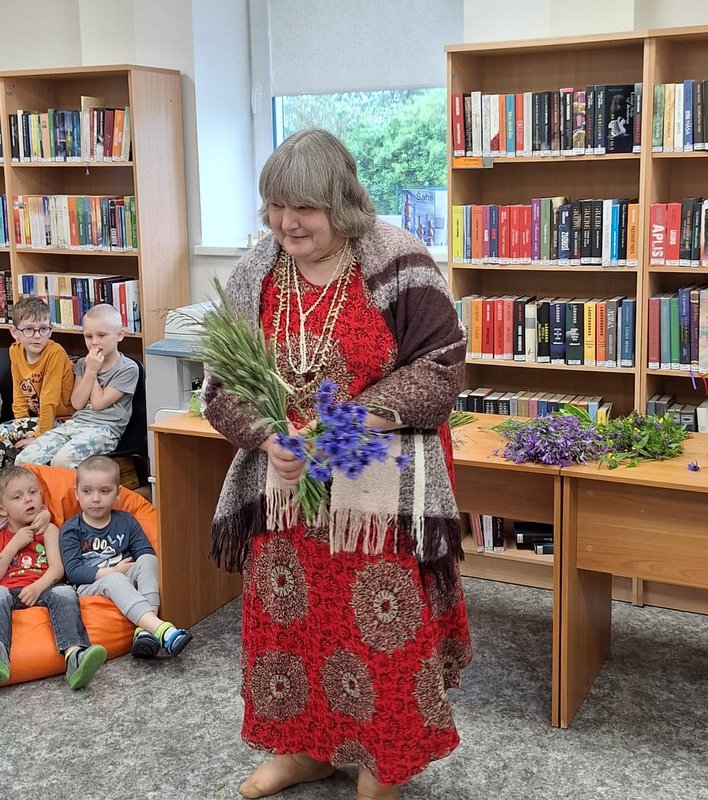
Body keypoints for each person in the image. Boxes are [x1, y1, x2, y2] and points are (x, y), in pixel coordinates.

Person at [203, 129, 471, 800]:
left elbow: (441, 371)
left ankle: (382, 764)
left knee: (379, 626)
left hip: (373, 475)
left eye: (304, 208)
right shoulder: (258, 269)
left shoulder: (396, 258)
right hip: (286, 480)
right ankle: (305, 750)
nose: (286, 223)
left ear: (342, 203)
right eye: (275, 206)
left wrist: (343, 427)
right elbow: (220, 384)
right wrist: (269, 437)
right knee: (289, 622)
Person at [59, 455, 192, 658]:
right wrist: (112, 571)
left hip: (124, 574)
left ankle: (146, 631)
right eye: (87, 491)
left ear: (118, 493)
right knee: (115, 578)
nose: (95, 498)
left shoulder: (126, 521)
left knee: (149, 560)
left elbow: (145, 552)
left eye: (105, 491)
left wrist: (126, 570)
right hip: (89, 586)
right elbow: (73, 571)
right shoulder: (71, 529)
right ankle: (163, 631)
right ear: (76, 493)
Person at [0, 465, 106, 688]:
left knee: (65, 592)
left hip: (43, 588)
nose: (28, 499)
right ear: (3, 509)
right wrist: (14, 545)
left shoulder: (48, 530)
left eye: (33, 492)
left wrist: (37, 587)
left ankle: (75, 656)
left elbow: (58, 569)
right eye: (17, 497)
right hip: (8, 590)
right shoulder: (2, 536)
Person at [16, 303, 138, 470]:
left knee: (62, 462)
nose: (94, 342)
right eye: (88, 336)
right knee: (24, 460)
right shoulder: (82, 363)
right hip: (75, 424)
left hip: (105, 430)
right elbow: (77, 403)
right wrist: (89, 369)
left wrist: (92, 370)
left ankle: (64, 488)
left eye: (101, 335)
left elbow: (98, 403)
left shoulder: (128, 368)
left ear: (120, 335)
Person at [0, 297, 74, 468]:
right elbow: (19, 392)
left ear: (50, 330)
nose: (37, 336)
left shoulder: (55, 353)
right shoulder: (15, 351)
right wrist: (21, 426)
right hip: (37, 420)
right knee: (8, 438)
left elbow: (49, 400)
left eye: (43, 329)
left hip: (61, 420)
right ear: (14, 332)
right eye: (29, 329)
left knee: (2, 433)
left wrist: (40, 436)